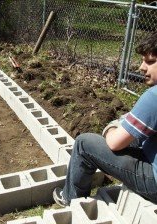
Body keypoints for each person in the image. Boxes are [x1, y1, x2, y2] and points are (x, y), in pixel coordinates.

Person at [53, 31, 157, 206]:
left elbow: (114, 143)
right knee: (134, 140)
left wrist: (111, 127)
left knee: (84, 143)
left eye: (150, 62)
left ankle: (71, 199)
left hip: (154, 184)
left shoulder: (154, 97)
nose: (142, 67)